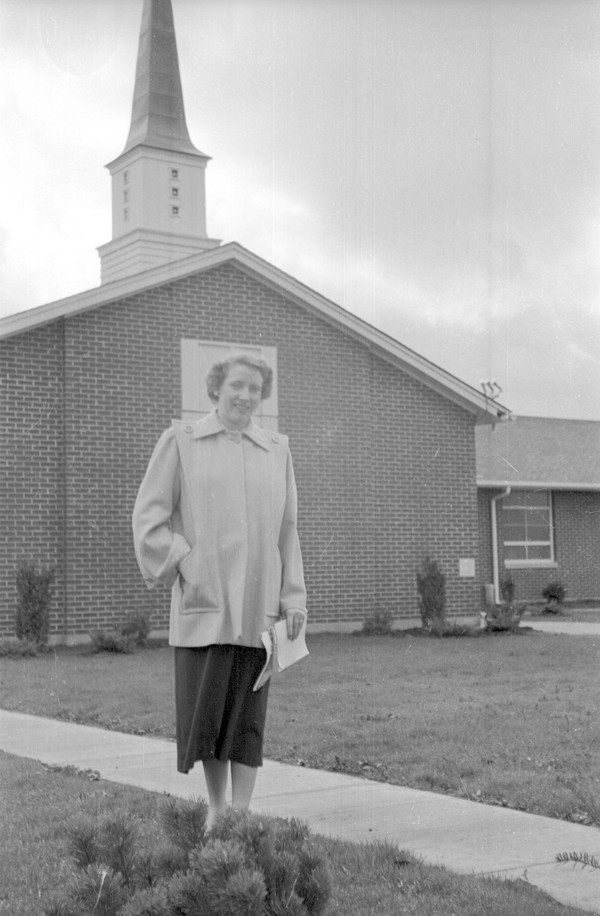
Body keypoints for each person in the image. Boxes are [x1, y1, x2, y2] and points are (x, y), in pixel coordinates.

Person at [132, 353, 307, 827]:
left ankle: (243, 815)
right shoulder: (181, 442)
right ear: (215, 389)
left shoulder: (277, 449)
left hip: (259, 604)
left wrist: (293, 597)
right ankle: (216, 809)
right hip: (206, 602)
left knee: (248, 715)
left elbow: (287, 529)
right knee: (210, 714)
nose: (247, 396)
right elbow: (148, 520)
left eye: (256, 389)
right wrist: (186, 561)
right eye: (238, 386)